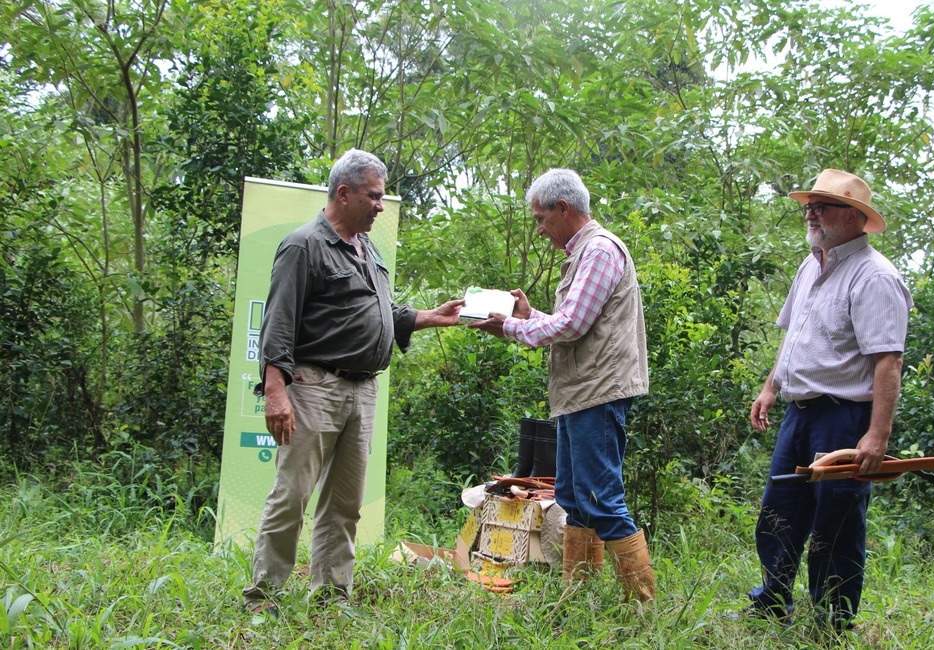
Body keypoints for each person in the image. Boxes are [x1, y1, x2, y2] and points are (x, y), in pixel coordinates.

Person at [243, 149, 463, 615]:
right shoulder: (304, 245)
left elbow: (377, 313)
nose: (380, 206)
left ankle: (331, 597)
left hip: (363, 392)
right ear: (344, 193)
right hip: (315, 386)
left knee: (344, 503)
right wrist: (276, 392)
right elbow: (278, 324)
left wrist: (430, 316)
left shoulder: (368, 247)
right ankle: (263, 599)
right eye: (374, 196)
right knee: (292, 495)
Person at [469, 168, 654, 603]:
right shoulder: (584, 253)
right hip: (580, 393)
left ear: (564, 208)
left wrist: (510, 327)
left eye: (541, 218)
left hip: (598, 393)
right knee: (573, 496)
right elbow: (572, 322)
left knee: (601, 498)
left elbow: (571, 325)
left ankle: (644, 607)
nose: (539, 229)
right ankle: (580, 598)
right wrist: (527, 316)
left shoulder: (599, 251)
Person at [740, 169, 913, 630]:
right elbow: (795, 335)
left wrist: (877, 435)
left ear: (854, 216)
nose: (810, 214)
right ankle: (772, 602)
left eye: (822, 207)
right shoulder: (810, 265)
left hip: (844, 418)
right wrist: (771, 386)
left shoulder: (875, 277)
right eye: (809, 206)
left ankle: (832, 622)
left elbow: (888, 361)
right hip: (799, 413)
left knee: (836, 521)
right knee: (779, 511)